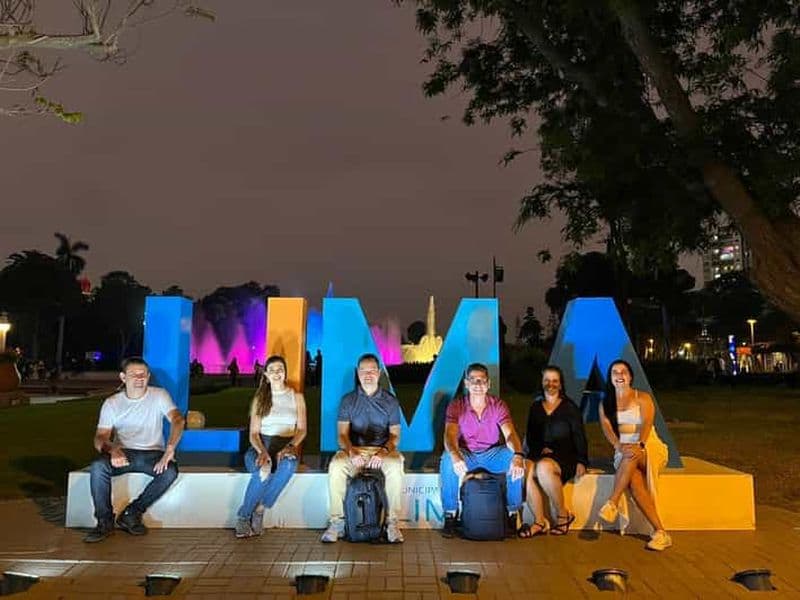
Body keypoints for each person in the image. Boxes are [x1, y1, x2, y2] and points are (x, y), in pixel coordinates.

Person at [84, 357, 185, 543]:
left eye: (143, 374)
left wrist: (170, 449)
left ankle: (132, 513)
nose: (139, 378)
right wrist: (112, 449)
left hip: (152, 453)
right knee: (98, 467)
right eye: (133, 374)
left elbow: (178, 420)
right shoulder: (112, 403)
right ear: (123, 377)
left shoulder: (159, 395)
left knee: (170, 471)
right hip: (124, 453)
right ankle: (104, 521)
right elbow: (99, 438)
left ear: (148, 376)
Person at [320, 353, 404, 543]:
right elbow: (342, 435)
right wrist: (351, 451)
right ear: (358, 373)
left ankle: (392, 524)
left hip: (381, 451)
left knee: (395, 467)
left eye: (372, 370)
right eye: (364, 370)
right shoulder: (348, 401)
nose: (368, 375)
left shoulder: (390, 401)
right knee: (336, 467)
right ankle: (337, 523)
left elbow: (395, 436)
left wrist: (383, 451)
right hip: (354, 450)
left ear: (379, 372)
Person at [439, 363, 526, 538]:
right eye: (473, 380)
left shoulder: (498, 405)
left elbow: (510, 434)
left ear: (488, 383)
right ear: (466, 383)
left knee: (513, 457)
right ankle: (450, 514)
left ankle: (512, 514)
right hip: (467, 453)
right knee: (448, 459)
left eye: (482, 380)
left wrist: (518, 454)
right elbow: (450, 435)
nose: (478, 385)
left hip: (491, 453)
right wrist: (456, 455)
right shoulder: (457, 406)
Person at [598, 359, 672, 551]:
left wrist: (639, 444)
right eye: (615, 372)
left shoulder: (643, 398)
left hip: (649, 445)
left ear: (630, 376)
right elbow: (608, 431)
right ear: (611, 378)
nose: (619, 375)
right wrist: (618, 445)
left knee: (631, 455)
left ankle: (612, 501)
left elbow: (647, 425)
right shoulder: (605, 403)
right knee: (634, 481)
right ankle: (660, 532)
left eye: (624, 372)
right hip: (623, 450)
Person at [234, 355, 307, 538]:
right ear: (266, 374)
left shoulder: (296, 397)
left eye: (280, 369)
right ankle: (243, 517)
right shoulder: (260, 398)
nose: (276, 373)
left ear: (285, 373)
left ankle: (260, 509)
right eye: (272, 370)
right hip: (260, 446)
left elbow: (302, 430)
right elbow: (253, 434)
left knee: (289, 465)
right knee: (264, 471)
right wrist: (263, 452)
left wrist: (290, 446)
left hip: (285, 446)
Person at [519, 365, 588, 537]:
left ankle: (563, 515)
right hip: (541, 453)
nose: (551, 384)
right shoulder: (535, 407)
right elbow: (531, 435)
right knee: (525, 468)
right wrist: (540, 448)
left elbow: (579, 435)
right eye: (547, 380)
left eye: (555, 381)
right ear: (542, 383)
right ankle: (540, 522)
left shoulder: (570, 407)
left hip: (565, 456)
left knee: (544, 467)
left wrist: (582, 461)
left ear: (561, 384)